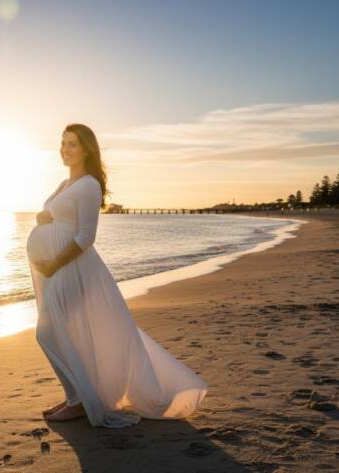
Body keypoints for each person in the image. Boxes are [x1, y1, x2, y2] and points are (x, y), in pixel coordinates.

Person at [26, 123, 209, 428]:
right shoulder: (64, 184)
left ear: (86, 149)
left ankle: (80, 402)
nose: (65, 149)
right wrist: (42, 220)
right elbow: (57, 218)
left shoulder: (88, 185)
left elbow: (85, 237)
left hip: (71, 269)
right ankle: (77, 396)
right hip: (53, 269)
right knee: (63, 332)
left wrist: (54, 263)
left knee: (48, 332)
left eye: (72, 144)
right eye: (62, 143)